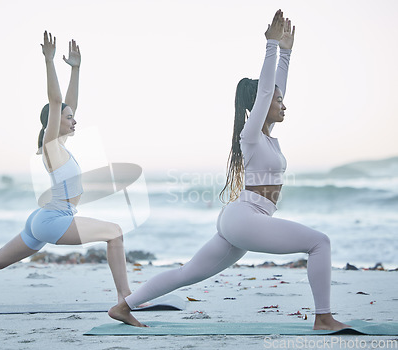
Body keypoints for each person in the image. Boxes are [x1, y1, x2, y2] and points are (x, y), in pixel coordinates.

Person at [109, 10, 351, 331]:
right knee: (319, 243)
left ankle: (123, 306)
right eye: (279, 101)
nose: (283, 104)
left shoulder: (265, 138)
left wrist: (287, 52)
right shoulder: (250, 137)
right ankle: (323, 317)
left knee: (187, 274)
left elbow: (273, 91)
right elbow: (266, 92)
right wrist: (270, 46)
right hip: (245, 217)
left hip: (243, 218)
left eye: (281, 100)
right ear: (261, 107)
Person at [0, 31, 132, 307]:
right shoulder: (52, 147)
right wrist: (49, 62)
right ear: (55, 122)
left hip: (43, 220)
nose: (74, 121)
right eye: (70, 118)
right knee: (115, 232)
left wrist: (76, 70)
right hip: (53, 220)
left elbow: (67, 104)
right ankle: (126, 297)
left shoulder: (61, 145)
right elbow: (57, 102)